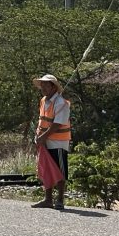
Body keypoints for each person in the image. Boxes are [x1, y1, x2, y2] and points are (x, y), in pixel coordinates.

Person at [31, 73, 71, 210]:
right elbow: (42, 119)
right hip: (45, 139)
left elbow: (57, 124)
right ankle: (48, 199)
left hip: (58, 141)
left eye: (46, 84)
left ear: (53, 87)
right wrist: (38, 135)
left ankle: (60, 199)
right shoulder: (43, 100)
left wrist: (43, 137)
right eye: (42, 84)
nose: (43, 87)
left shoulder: (61, 103)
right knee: (46, 168)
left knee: (60, 170)